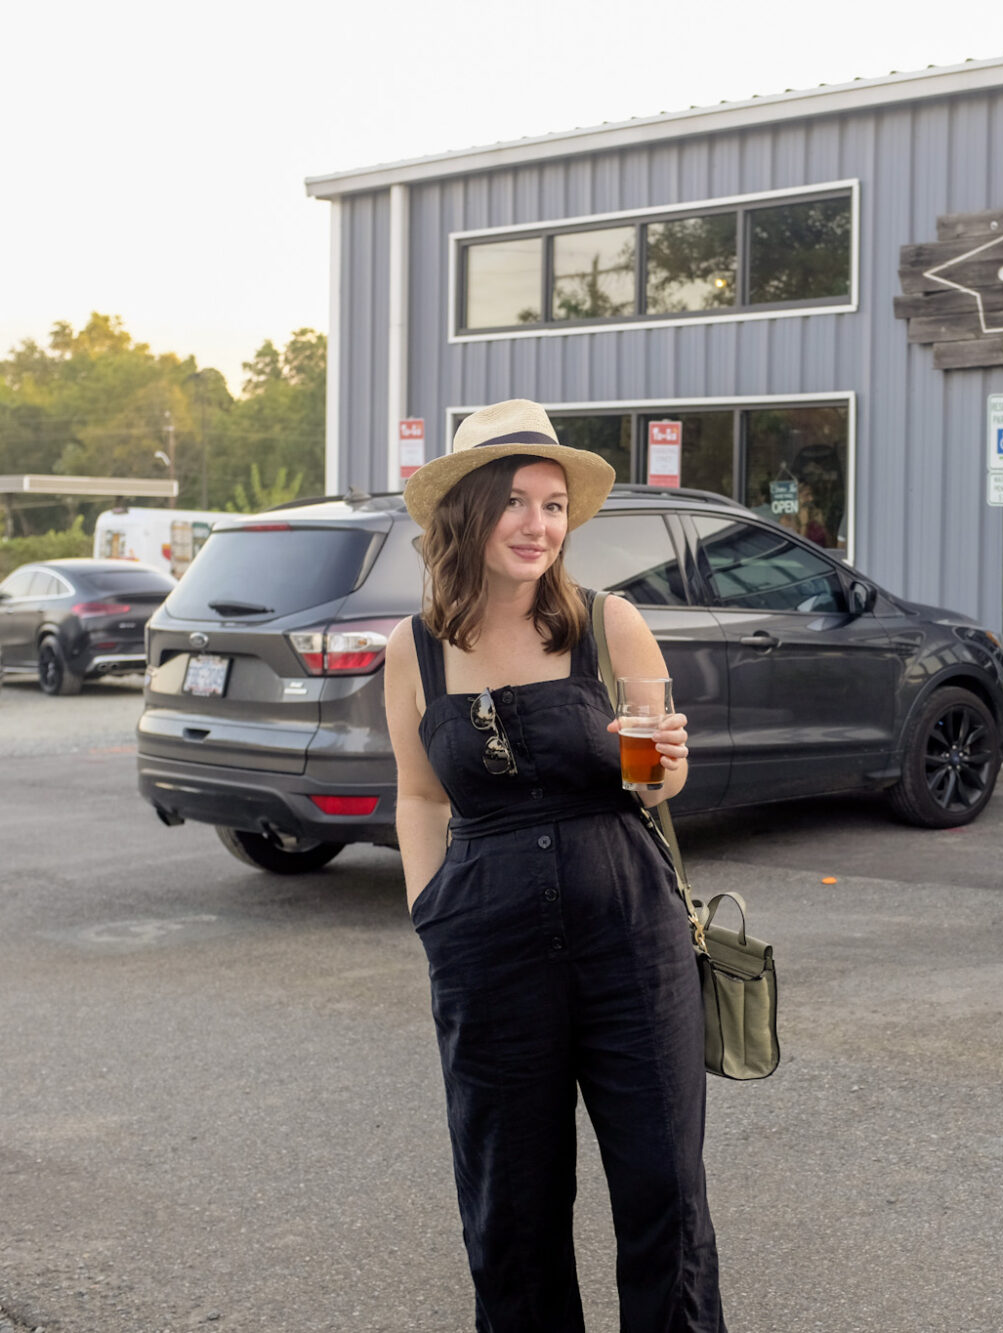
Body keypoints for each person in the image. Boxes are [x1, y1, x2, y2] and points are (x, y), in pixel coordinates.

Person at [383, 399, 726, 1332]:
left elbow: (650, 786)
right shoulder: (411, 652)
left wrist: (665, 765)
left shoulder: (610, 624)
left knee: (664, 1191)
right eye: (516, 502)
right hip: (486, 951)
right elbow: (420, 796)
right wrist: (433, 915)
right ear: (467, 512)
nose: (539, 524)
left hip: (629, 936)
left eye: (553, 505)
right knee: (512, 1205)